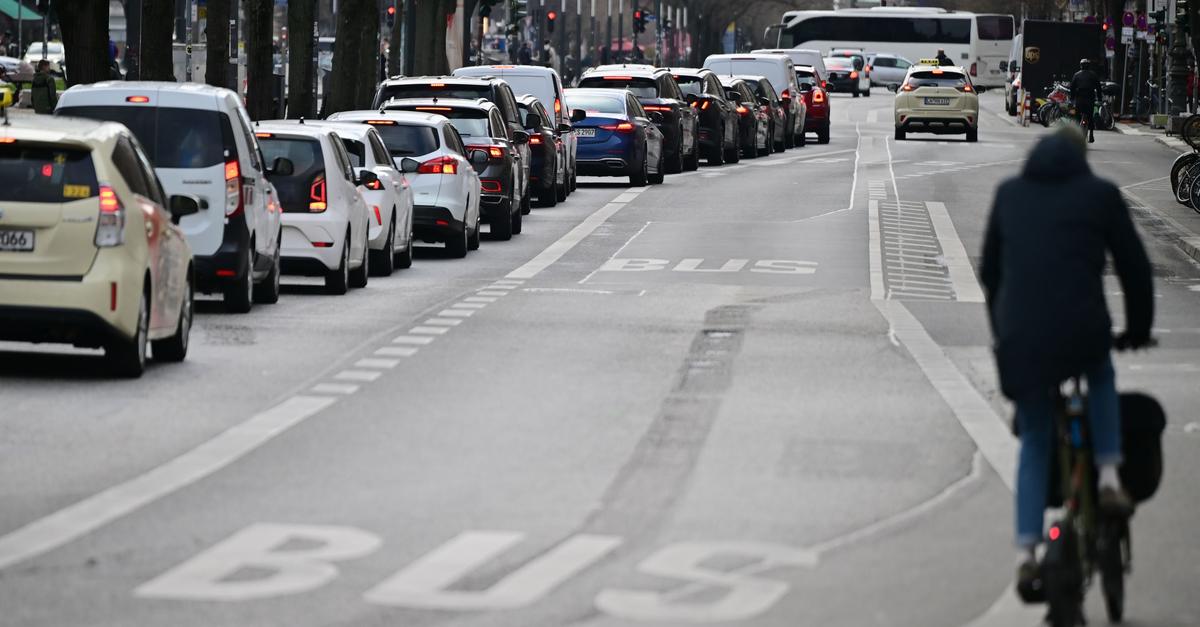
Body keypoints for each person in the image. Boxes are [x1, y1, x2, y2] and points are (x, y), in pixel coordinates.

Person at [980, 124, 1154, 592]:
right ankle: (1110, 477)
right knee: (1099, 374)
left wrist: (1004, 335)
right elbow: (1135, 267)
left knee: (1036, 435)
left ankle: (1025, 552)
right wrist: (1138, 330)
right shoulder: (1100, 194)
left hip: (1021, 340)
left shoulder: (1009, 193)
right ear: (1082, 159)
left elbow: (989, 272)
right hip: (1082, 332)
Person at [1070, 58, 1102, 143]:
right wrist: (1099, 99)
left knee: (1077, 117)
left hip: (1079, 99)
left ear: (1081, 66)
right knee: (1090, 116)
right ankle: (1091, 134)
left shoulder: (1076, 75)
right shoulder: (1093, 75)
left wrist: (1072, 98)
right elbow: (1099, 88)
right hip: (1090, 99)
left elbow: (1072, 88)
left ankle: (1076, 133)